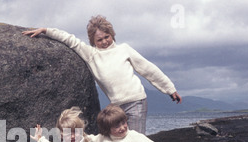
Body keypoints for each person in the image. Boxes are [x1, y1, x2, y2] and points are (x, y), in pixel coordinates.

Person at [22, 15, 182, 135]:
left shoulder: (124, 49)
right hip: (116, 107)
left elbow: (148, 69)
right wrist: (46, 30)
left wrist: (169, 88)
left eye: (107, 37)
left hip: (136, 101)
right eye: (99, 39)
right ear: (93, 41)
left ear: (112, 34)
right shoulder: (91, 55)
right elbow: (71, 40)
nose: (105, 41)